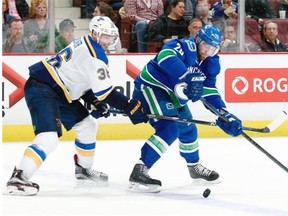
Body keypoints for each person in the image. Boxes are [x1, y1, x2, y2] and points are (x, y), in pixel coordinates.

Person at [5, 16, 148, 196]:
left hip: (59, 90)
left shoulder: (86, 43)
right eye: (105, 37)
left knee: (88, 125)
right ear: (95, 34)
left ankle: (83, 171)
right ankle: (18, 178)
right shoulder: (96, 56)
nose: (109, 41)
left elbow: (79, 78)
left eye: (111, 37)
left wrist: (94, 101)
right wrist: (129, 106)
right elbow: (105, 93)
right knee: (48, 137)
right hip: (44, 88)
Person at [128, 25, 243, 193]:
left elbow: (209, 90)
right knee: (169, 128)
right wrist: (187, 76)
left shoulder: (211, 62)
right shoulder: (184, 46)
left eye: (213, 48)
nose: (207, 51)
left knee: (188, 128)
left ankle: (194, 167)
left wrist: (223, 113)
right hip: (151, 87)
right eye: (205, 46)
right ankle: (140, 170)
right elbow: (164, 56)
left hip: (174, 96)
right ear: (197, 40)